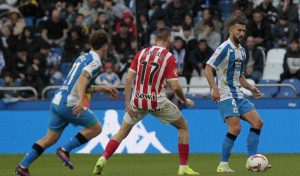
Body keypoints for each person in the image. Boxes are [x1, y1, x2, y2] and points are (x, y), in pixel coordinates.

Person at [93, 27, 199, 176]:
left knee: (121, 133)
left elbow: (129, 78)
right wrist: (184, 99)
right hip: (157, 101)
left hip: (137, 101)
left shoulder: (141, 53)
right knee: (183, 126)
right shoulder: (169, 57)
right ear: (169, 40)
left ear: (155, 39)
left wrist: (128, 103)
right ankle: (183, 167)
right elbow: (175, 86)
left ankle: (103, 158)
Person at [14, 30, 119, 176]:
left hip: (58, 100)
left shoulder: (83, 57)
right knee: (96, 128)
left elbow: (79, 82)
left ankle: (22, 166)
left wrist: (103, 89)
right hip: (70, 102)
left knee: (50, 138)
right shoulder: (96, 62)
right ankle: (65, 149)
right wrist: (81, 100)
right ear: (106, 47)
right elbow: (82, 79)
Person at [205, 19, 269, 172]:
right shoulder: (224, 48)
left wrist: (251, 88)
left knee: (258, 123)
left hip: (238, 95)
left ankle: (251, 161)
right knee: (235, 128)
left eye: (243, 31)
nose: (242, 34)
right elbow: (208, 68)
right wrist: (214, 88)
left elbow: (238, 75)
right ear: (231, 30)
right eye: (239, 30)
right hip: (225, 94)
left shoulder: (242, 51)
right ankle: (223, 165)